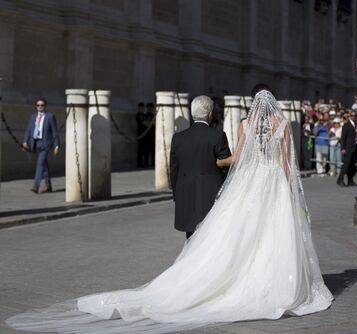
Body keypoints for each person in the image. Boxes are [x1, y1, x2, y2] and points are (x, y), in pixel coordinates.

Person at [7, 89, 333, 334]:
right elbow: (287, 163)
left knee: (242, 233)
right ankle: (274, 283)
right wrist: (289, 190)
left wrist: (220, 166)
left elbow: (239, 158)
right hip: (273, 181)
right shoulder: (282, 123)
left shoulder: (247, 124)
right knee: (272, 234)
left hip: (252, 181)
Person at [170, 95, 231, 239]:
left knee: (190, 238)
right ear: (210, 114)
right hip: (211, 193)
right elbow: (226, 165)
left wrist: (177, 194)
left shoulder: (178, 138)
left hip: (186, 192)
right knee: (209, 239)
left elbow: (174, 169)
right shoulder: (218, 136)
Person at [22, 98, 60, 193]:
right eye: (38, 105)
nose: (40, 107)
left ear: (45, 106)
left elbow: (55, 132)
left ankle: (36, 186)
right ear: (36, 107)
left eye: (42, 105)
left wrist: (56, 146)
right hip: (35, 143)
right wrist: (25, 142)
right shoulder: (33, 116)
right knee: (44, 165)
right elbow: (28, 130)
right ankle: (48, 186)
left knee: (39, 164)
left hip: (45, 144)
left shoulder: (50, 116)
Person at [337, 111, 357, 187]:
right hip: (348, 147)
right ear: (349, 116)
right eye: (352, 115)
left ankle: (350, 180)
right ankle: (340, 179)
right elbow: (342, 138)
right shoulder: (346, 125)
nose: (354, 117)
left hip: (355, 147)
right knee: (346, 164)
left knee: (352, 165)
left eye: (355, 115)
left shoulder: (356, 125)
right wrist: (343, 148)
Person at [136, 102, 149, 168]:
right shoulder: (138, 115)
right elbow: (145, 123)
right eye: (141, 107)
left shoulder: (144, 115)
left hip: (145, 134)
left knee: (145, 149)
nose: (142, 109)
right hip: (141, 134)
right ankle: (140, 163)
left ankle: (144, 162)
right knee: (140, 149)